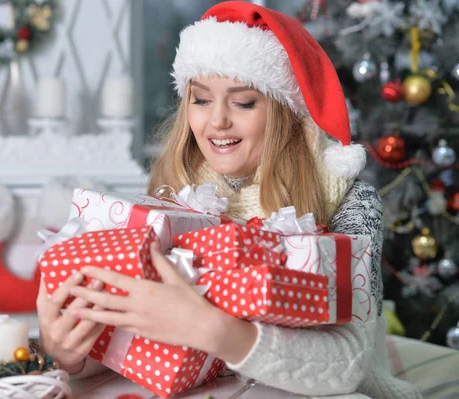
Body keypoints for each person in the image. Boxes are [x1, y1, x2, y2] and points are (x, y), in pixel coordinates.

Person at [37, 2, 422, 398]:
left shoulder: (347, 198)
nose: (217, 121)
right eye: (201, 100)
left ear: (286, 111)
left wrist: (213, 330)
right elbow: (134, 340)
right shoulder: (175, 191)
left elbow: (350, 363)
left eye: (243, 102)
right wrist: (70, 356)